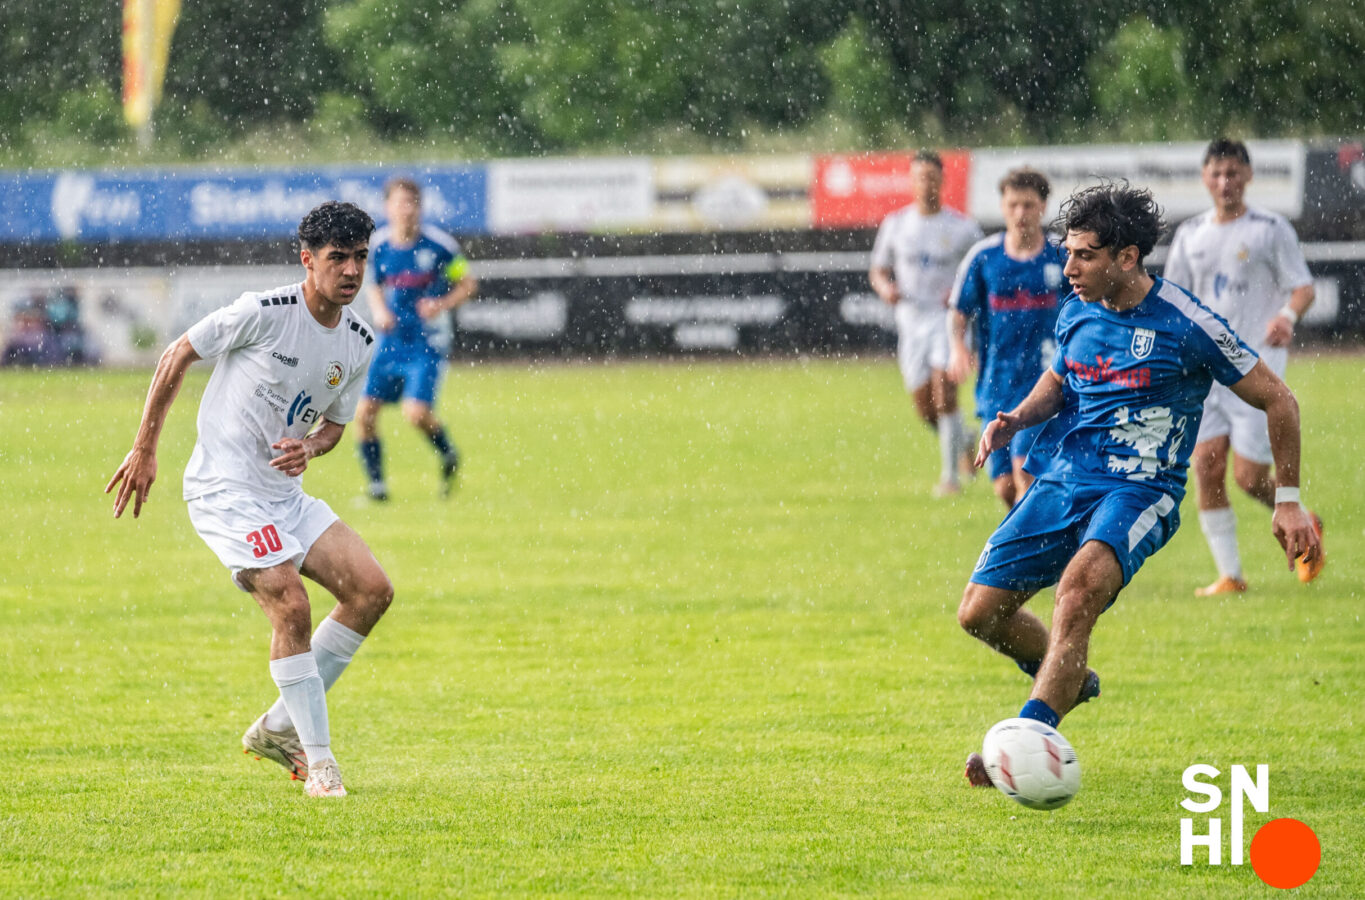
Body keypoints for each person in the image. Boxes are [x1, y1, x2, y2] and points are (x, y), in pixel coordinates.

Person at [955, 183, 1321, 787]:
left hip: (1141, 490)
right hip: (1066, 478)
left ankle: (1027, 742)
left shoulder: (1187, 323)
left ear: (1127, 257)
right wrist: (1015, 419)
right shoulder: (1077, 308)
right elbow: (1059, 379)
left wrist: (1287, 501)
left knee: (1076, 593)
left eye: (1085, 255)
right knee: (979, 613)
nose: (1069, 268)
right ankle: (1069, 675)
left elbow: (1278, 398)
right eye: (1068, 254)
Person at [106, 201, 391, 799]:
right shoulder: (264, 311)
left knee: (371, 591)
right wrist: (145, 448)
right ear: (307, 259)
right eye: (337, 257)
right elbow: (177, 353)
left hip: (283, 494)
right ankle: (321, 765)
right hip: (224, 489)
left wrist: (309, 447)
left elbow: (335, 428)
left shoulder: (359, 341)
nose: (351, 270)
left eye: (360, 257)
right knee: (291, 602)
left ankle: (279, 727)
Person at [1163, 139, 1323, 596]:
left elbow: (1304, 287)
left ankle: (1303, 520)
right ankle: (1230, 575)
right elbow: (1174, 298)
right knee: (1207, 465)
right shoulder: (1190, 234)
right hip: (1204, 371)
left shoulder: (1270, 228)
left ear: (1248, 176)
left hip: (1255, 369)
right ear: (1204, 178)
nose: (1224, 182)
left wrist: (1286, 316)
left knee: (1249, 478)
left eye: (1232, 173)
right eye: (1216, 173)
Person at [355, 177, 478, 501]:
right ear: (387, 207)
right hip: (390, 341)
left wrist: (441, 304)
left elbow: (467, 284)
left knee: (416, 413)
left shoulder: (440, 247)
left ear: (420, 207)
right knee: (364, 413)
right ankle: (377, 487)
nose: (406, 210)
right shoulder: (378, 245)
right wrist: (379, 310)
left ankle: (448, 453)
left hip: (426, 343)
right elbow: (374, 284)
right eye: (399, 203)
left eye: (412, 203)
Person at [948, 168, 1065, 508]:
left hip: (1045, 384)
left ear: (1042, 206)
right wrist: (958, 348)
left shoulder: (1061, 255)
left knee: (1025, 471)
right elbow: (958, 312)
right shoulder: (985, 257)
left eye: (1028, 205)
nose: (1020, 213)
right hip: (996, 384)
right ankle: (1035, 536)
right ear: (1002, 206)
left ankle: (1036, 542)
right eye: (1013, 204)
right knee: (1005, 488)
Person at [869, 150, 984, 495]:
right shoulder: (896, 224)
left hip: (946, 319)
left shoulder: (962, 228)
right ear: (911, 181)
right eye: (920, 178)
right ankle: (963, 438)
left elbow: (982, 269)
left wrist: (963, 293)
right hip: (911, 320)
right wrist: (886, 288)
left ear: (942, 181)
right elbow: (878, 270)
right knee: (925, 407)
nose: (926, 184)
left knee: (944, 392)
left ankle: (950, 479)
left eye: (932, 178)